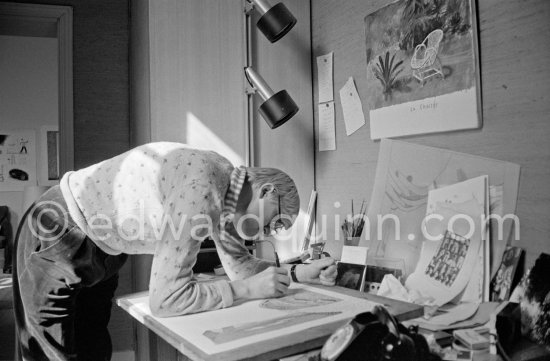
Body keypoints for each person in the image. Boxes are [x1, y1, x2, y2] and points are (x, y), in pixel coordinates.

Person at [13, 142, 338, 361]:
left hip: (104, 248)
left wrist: (297, 273)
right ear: (266, 190)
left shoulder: (227, 189)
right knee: (51, 354)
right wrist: (245, 290)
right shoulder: (203, 189)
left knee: (94, 351)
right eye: (275, 222)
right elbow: (165, 300)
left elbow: (240, 266)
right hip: (59, 233)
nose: (268, 233)